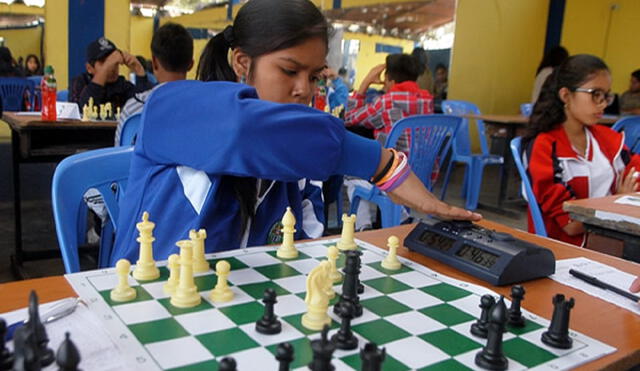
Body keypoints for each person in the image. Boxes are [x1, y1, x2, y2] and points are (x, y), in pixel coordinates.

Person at [110, 0, 480, 265]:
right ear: (241, 61)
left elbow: (303, 247)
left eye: (315, 76)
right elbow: (243, 130)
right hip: (148, 307)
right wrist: (380, 163)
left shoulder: (297, 159)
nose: (305, 89)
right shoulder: (170, 108)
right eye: (289, 71)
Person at [523, 54, 640, 247]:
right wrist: (614, 202)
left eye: (607, 96)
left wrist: (616, 203)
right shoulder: (544, 146)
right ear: (566, 95)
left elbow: (635, 176)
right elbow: (571, 224)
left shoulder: (607, 138)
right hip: (566, 251)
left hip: (610, 239)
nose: (603, 103)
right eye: (595, 94)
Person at [343, 53, 433, 230]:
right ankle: (402, 218)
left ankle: (364, 228)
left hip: (395, 175)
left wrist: (365, 83)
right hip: (422, 175)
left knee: (351, 174)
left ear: (389, 79)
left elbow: (349, 118)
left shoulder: (387, 101)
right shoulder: (427, 99)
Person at [115, 23, 194, 145]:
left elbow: (120, 157)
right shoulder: (206, 106)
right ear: (191, 64)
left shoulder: (133, 108)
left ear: (154, 63)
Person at [70, 37, 154, 110]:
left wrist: (139, 70)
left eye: (114, 62)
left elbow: (145, 106)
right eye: (103, 62)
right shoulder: (80, 82)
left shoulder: (122, 85)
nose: (112, 67)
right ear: (89, 68)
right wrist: (106, 68)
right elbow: (82, 109)